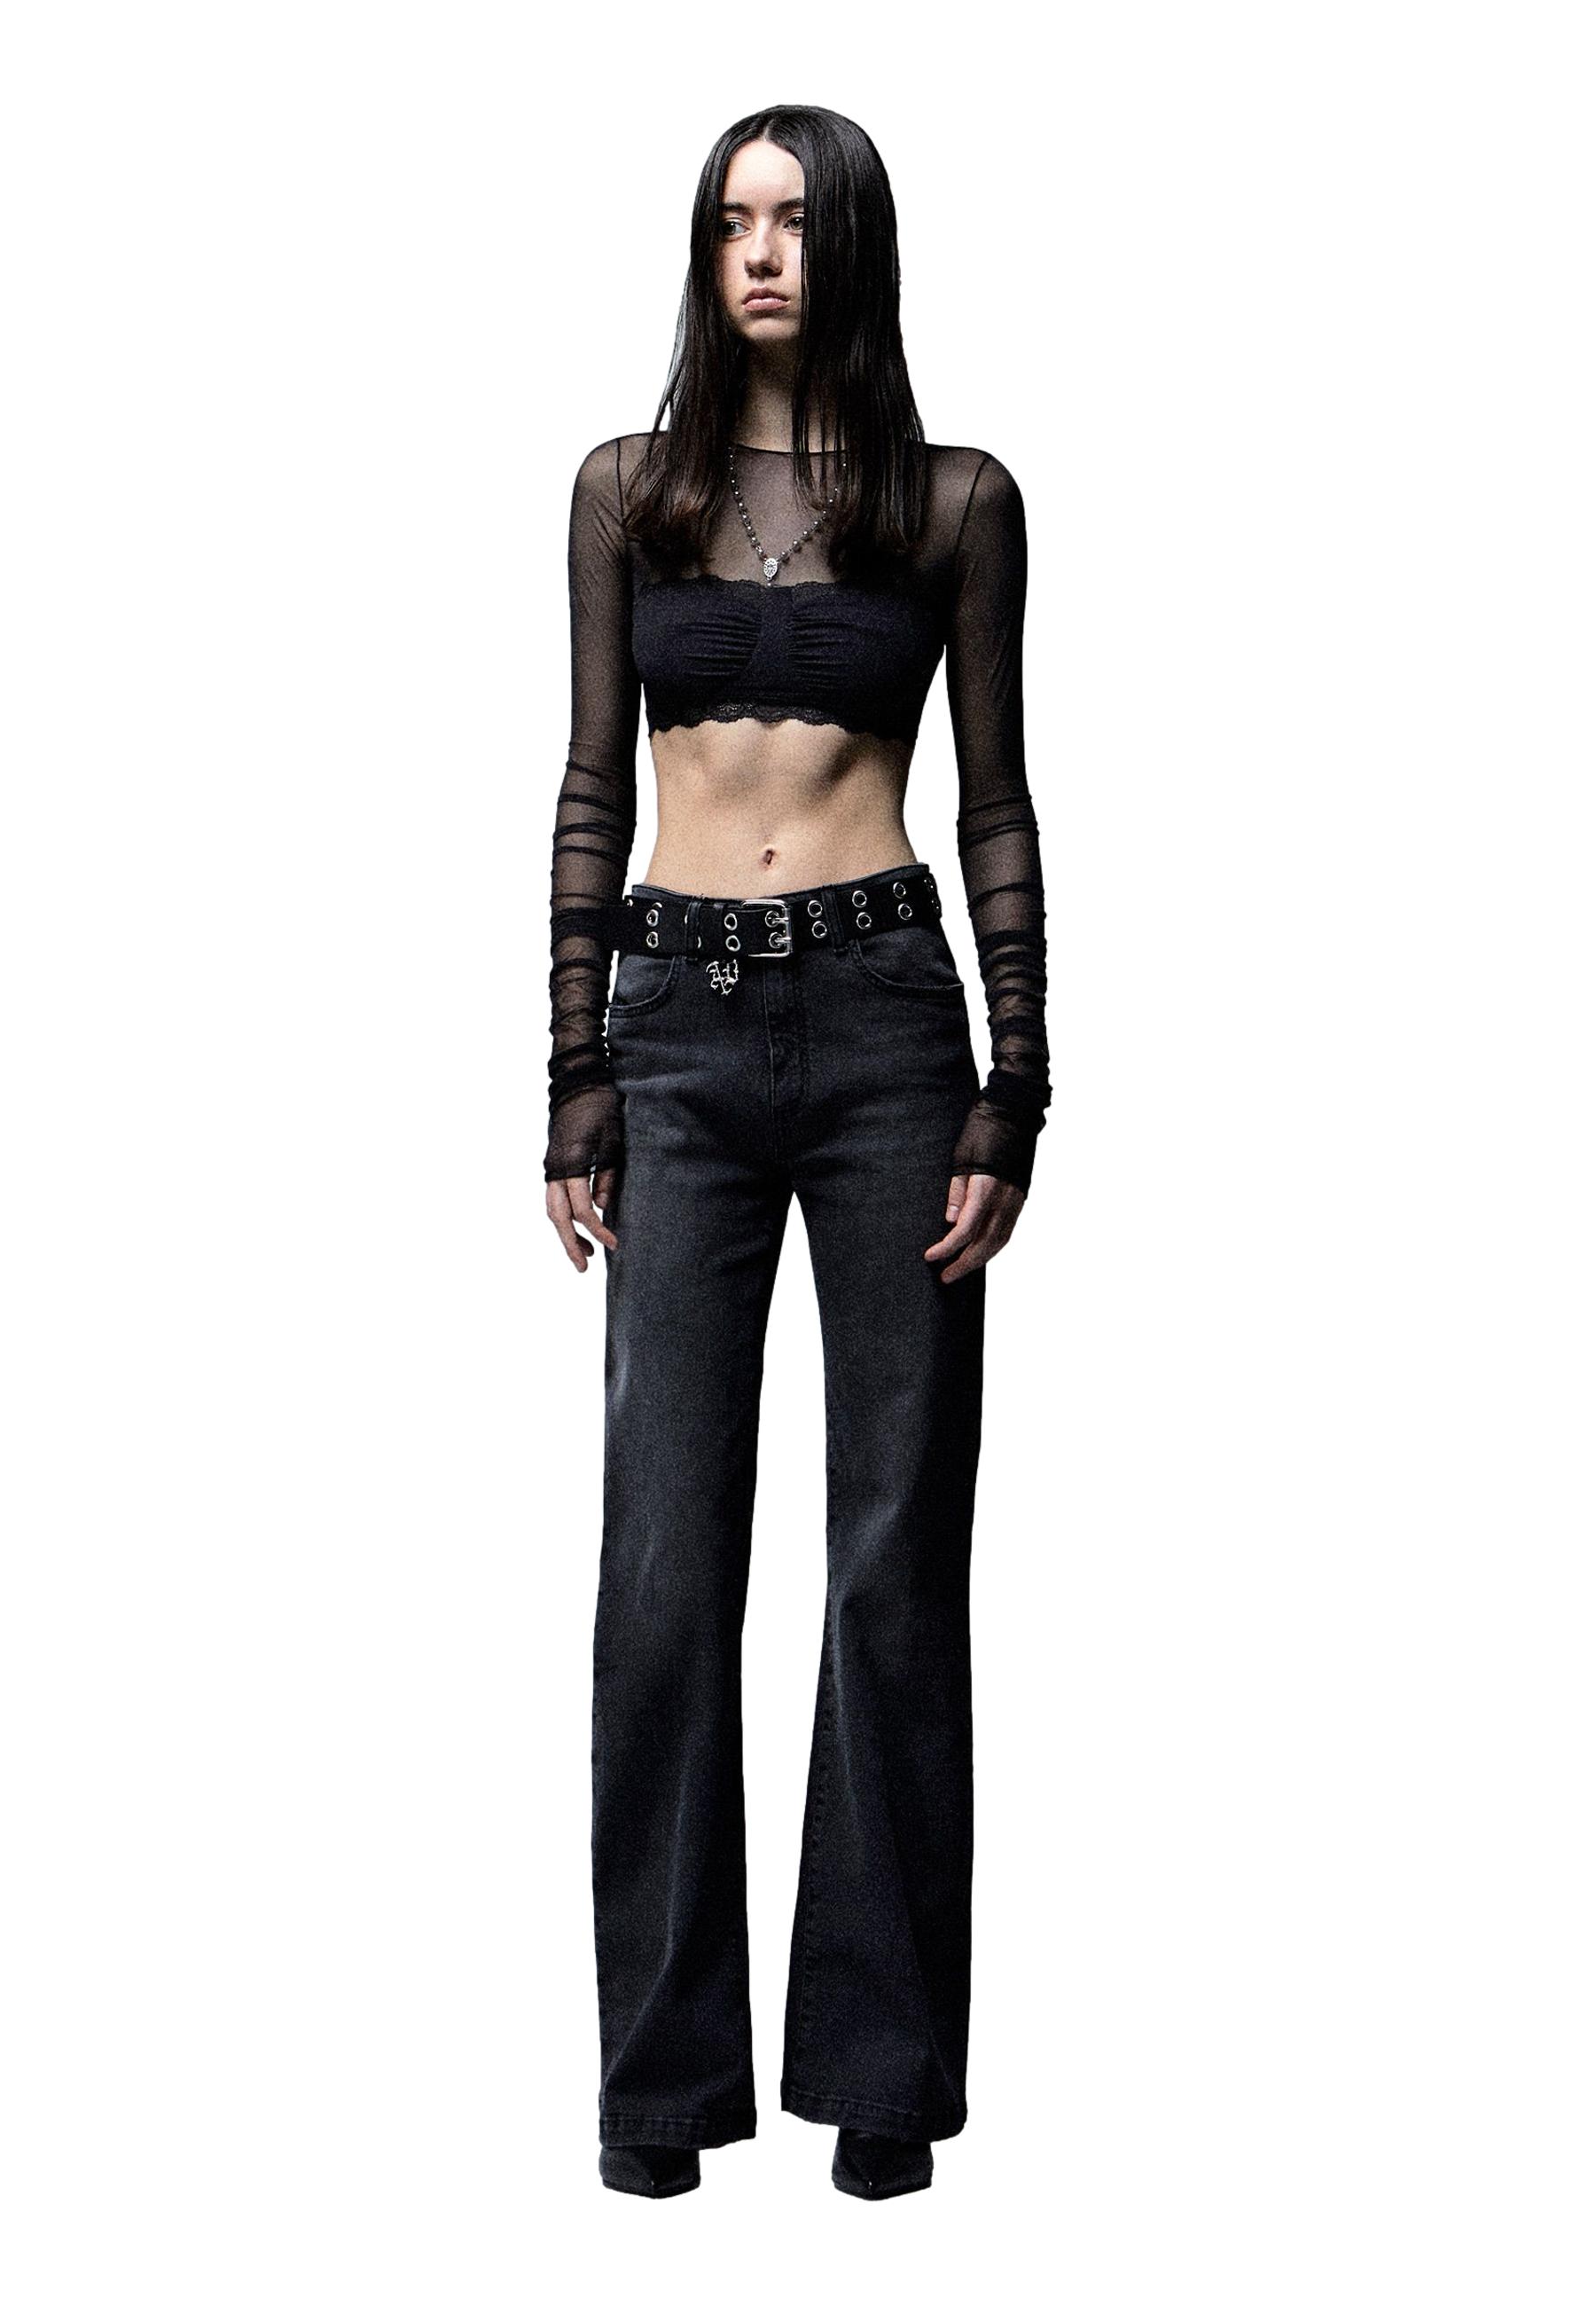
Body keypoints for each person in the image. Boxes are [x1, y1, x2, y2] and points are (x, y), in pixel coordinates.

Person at [544, 105, 1051, 2201]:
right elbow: (590, 777)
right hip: (674, 1024)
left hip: (883, 1030)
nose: (762, 252)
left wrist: (1017, 1080)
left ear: (853, 246)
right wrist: (571, 1063)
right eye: (732, 221)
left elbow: (998, 795)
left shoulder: (954, 502)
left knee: (892, 1561)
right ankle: (659, 2091)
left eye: (795, 220)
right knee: (665, 1564)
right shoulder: (629, 490)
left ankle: (883, 2077)